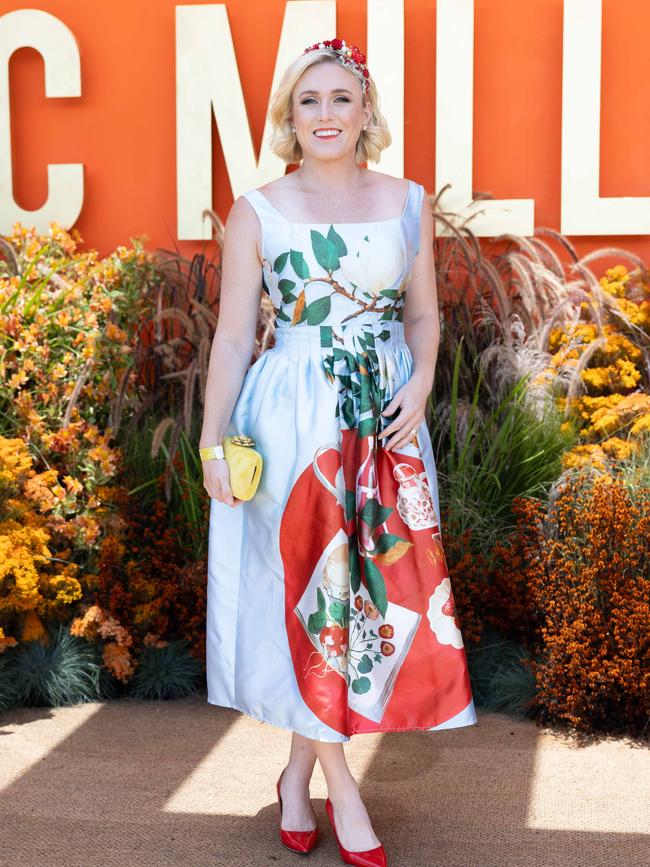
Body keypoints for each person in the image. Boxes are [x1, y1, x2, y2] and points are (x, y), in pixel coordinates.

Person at [200, 37, 477, 867]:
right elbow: (231, 339)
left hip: (385, 420)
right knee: (310, 597)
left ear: (366, 114)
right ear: (290, 117)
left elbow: (423, 316)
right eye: (308, 100)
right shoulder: (258, 210)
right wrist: (214, 440)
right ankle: (340, 789)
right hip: (292, 424)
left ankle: (294, 775)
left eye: (340, 99)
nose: (325, 114)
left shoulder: (407, 201)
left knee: (371, 594)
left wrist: (423, 381)